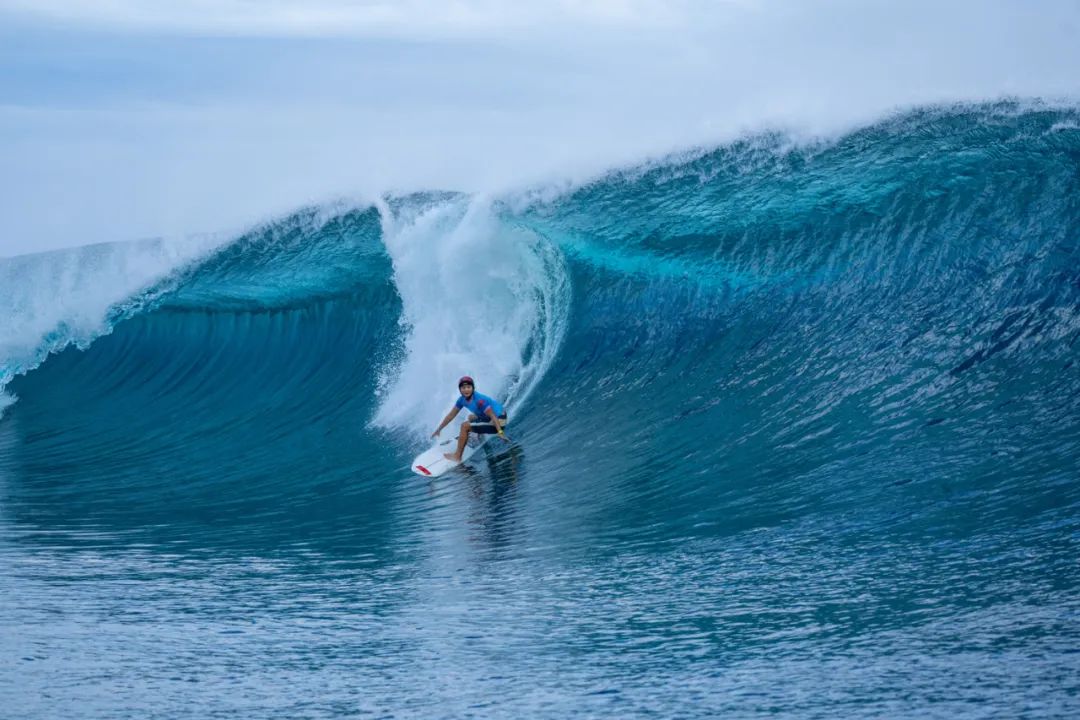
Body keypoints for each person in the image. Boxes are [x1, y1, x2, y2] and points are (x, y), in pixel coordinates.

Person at [431, 376, 508, 462]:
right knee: (471, 417)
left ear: (473, 388)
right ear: (460, 389)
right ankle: (479, 436)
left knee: (464, 426)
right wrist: (439, 429)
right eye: (463, 388)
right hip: (492, 417)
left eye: (468, 387)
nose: (466, 390)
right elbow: (451, 415)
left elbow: (493, 415)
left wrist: (500, 432)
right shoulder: (461, 400)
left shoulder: (479, 400)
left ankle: (457, 456)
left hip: (499, 420)